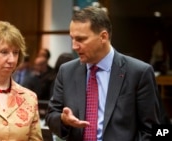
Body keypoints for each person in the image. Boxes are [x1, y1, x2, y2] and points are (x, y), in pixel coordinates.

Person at [45, 6, 168, 141]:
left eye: (80, 39)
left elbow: (152, 129)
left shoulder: (138, 72)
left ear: (103, 37)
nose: (74, 46)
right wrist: (63, 120)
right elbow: (51, 116)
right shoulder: (66, 71)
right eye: (72, 39)